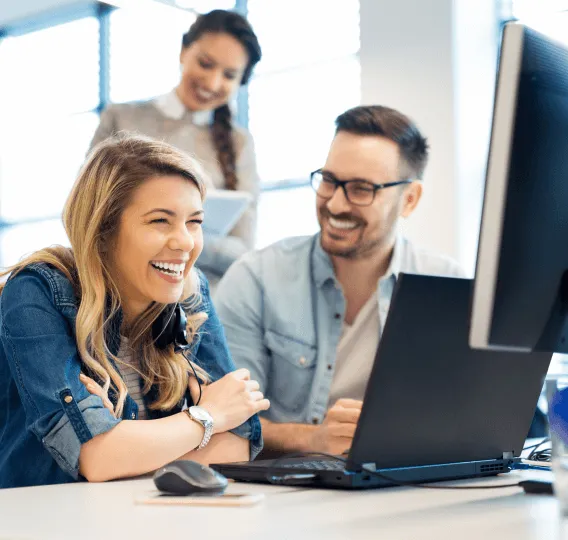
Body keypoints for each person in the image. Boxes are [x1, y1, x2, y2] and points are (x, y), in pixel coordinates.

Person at [0, 134, 269, 489]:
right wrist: (207, 417)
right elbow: (96, 457)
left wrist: (126, 446)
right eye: (160, 221)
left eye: (194, 222)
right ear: (103, 230)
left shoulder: (190, 293)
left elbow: (237, 443)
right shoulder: (37, 292)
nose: (185, 242)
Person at [214, 105, 464, 456]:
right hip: (285, 496)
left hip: (407, 487)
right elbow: (227, 421)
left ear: (409, 199)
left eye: (361, 189)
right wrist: (312, 439)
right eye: (329, 181)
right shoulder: (255, 279)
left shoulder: (449, 287)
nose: (335, 203)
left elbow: (469, 418)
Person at [90, 9, 262, 286]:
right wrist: (195, 235)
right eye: (206, 64)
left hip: (199, 304)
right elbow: (88, 213)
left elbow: (243, 251)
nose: (213, 82)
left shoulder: (239, 144)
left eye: (229, 75)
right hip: (119, 290)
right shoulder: (121, 119)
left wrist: (164, 234)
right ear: (184, 51)